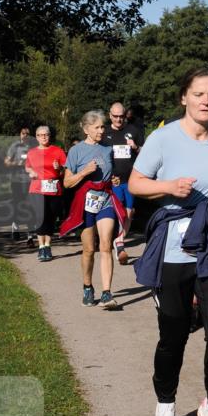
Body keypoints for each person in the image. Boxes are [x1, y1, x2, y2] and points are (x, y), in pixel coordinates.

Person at [129, 68, 208, 416]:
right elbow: (135, 183)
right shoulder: (163, 138)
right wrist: (167, 187)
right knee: (173, 333)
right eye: (198, 94)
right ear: (184, 98)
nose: (206, 101)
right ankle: (165, 403)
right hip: (174, 246)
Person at [60, 110, 126, 309]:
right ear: (86, 129)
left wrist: (113, 180)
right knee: (89, 249)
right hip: (85, 203)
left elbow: (110, 174)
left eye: (102, 126)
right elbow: (67, 183)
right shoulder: (76, 151)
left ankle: (107, 293)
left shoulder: (107, 149)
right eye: (97, 127)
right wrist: (84, 172)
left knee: (105, 246)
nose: (101, 130)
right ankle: (88, 287)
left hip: (105, 200)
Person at [104, 102, 144, 264]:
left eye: (121, 116)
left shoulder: (133, 131)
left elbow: (145, 152)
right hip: (113, 179)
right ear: (110, 115)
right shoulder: (105, 133)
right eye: (115, 116)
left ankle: (119, 240)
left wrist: (135, 147)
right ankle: (115, 242)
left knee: (129, 212)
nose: (119, 119)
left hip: (130, 179)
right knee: (115, 211)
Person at [24, 126, 67, 262]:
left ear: (50, 136)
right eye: (40, 135)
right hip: (37, 189)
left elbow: (65, 171)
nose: (43, 137)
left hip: (53, 189)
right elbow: (27, 166)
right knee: (39, 217)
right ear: (36, 137)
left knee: (50, 218)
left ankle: (47, 245)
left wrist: (59, 168)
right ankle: (41, 246)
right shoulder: (31, 152)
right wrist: (30, 171)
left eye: (46, 135)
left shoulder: (58, 151)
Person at [4, 127, 37, 244]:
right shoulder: (15, 146)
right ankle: (15, 226)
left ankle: (30, 234)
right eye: (23, 133)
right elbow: (6, 162)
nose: (25, 135)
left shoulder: (33, 147)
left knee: (30, 206)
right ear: (20, 134)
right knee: (18, 204)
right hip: (16, 180)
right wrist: (16, 163)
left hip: (30, 181)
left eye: (27, 133)